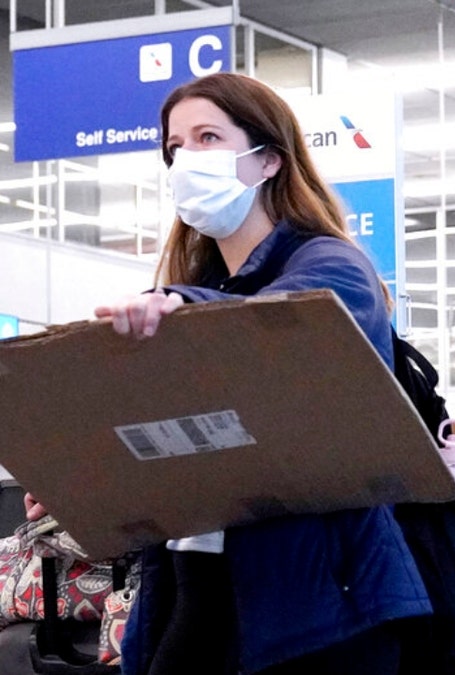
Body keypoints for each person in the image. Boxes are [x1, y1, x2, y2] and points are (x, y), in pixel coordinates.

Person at [58, 73, 432, 675]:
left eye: (208, 137)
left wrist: (180, 308)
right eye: (175, 147)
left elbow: (284, 325)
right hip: (196, 584)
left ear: (268, 162)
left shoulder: (332, 265)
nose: (186, 160)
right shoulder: (197, 289)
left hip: (316, 606)